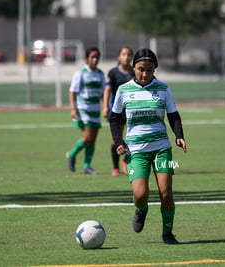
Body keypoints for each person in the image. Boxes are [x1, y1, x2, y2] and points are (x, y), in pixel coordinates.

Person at [109, 48, 187, 244]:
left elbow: (173, 115)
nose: (145, 74)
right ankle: (141, 209)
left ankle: (167, 233)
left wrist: (179, 135)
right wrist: (119, 142)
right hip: (136, 152)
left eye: (149, 70)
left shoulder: (163, 88)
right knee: (140, 194)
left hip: (162, 148)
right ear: (133, 68)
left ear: (155, 70)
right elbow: (114, 118)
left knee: (166, 194)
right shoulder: (124, 90)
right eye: (141, 69)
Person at [66, 47, 105, 175]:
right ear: (87, 58)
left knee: (92, 140)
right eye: (92, 57)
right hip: (83, 110)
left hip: (95, 110)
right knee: (87, 137)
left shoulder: (100, 74)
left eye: (97, 57)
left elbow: (103, 93)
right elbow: (72, 92)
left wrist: (105, 106)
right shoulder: (81, 73)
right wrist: (73, 108)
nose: (95, 59)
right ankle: (72, 154)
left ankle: (87, 166)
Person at [103, 47, 134, 176]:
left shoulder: (134, 72)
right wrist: (105, 106)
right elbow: (107, 90)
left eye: (129, 55)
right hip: (118, 110)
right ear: (119, 57)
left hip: (132, 109)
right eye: (123, 54)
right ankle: (115, 167)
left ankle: (126, 161)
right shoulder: (113, 72)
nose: (126, 57)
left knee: (132, 137)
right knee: (116, 139)